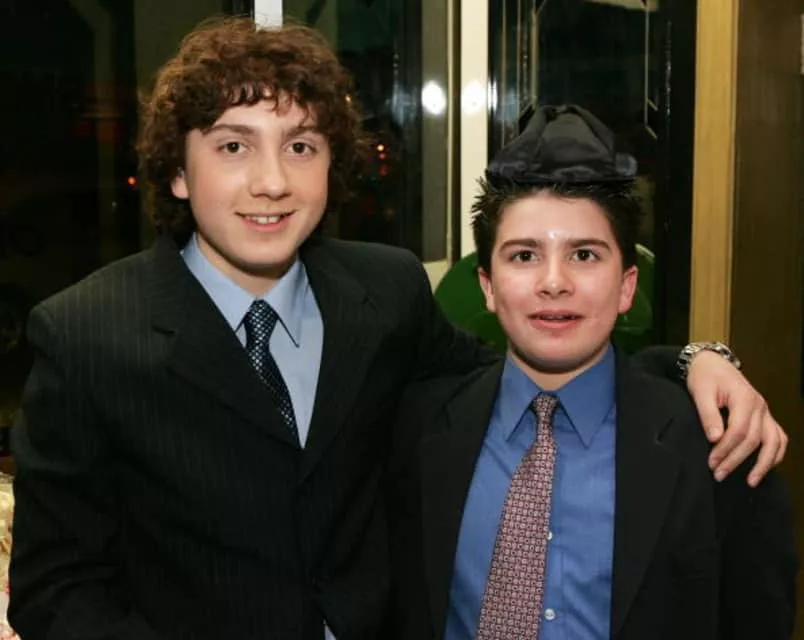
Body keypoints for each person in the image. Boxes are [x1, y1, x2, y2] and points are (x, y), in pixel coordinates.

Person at [7, 18, 788, 640]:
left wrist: (695, 361)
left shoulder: (382, 293)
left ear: (331, 165)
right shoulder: (86, 335)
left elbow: (529, 367)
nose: (271, 181)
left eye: (301, 146)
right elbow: (54, 591)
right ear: (178, 171)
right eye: (233, 146)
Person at [384, 105, 796, 640]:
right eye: (524, 256)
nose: (554, 282)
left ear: (627, 287)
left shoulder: (721, 447)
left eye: (584, 255)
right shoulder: (417, 430)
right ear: (487, 286)